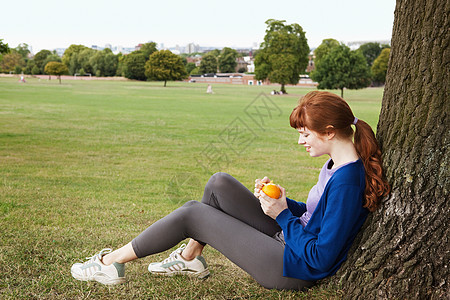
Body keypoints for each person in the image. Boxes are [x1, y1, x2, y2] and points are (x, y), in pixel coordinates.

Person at [71, 91, 390, 290]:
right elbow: (314, 216)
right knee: (219, 183)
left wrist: (281, 217)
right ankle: (190, 258)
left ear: (330, 132)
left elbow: (320, 257)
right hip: (291, 241)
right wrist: (276, 200)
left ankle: (109, 263)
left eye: (305, 134)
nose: (300, 141)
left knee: (193, 213)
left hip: (293, 267)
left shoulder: (349, 180)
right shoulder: (337, 163)